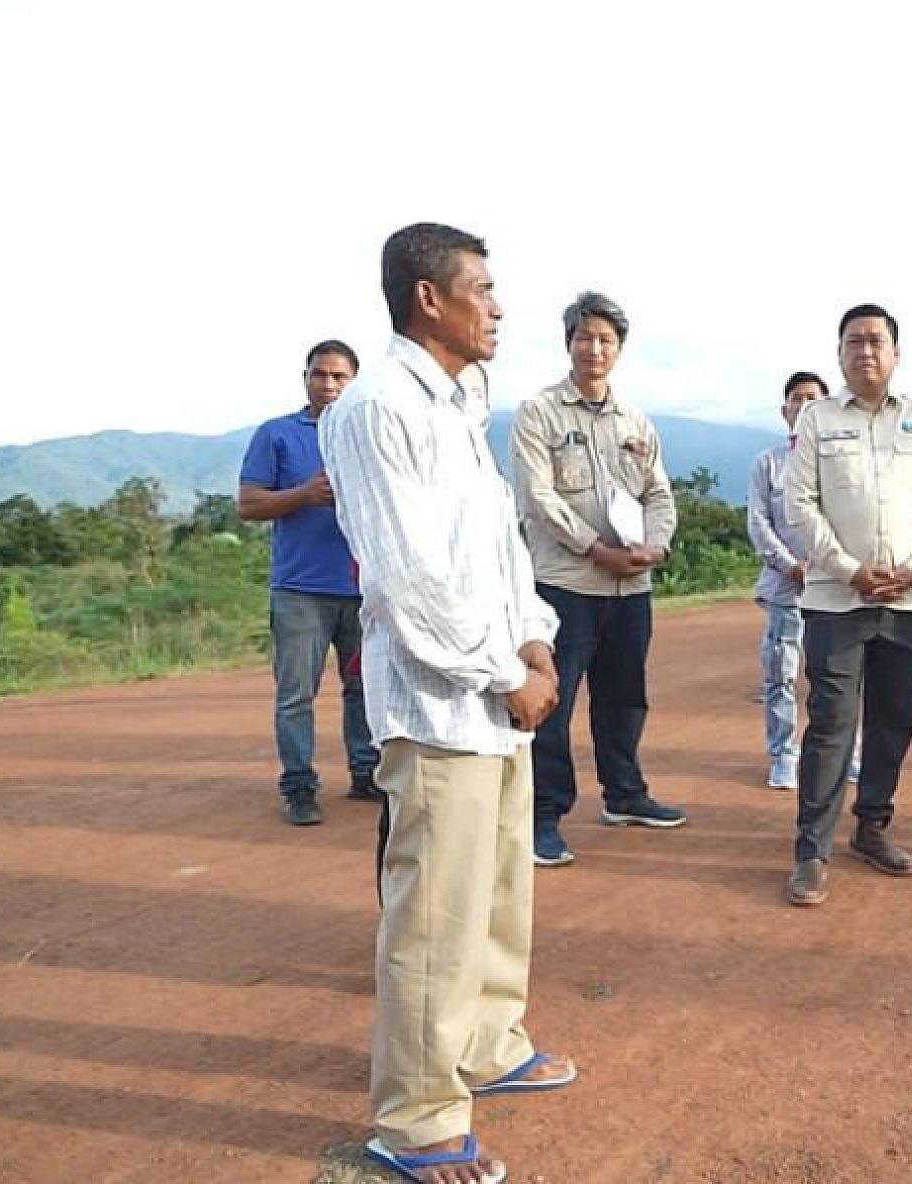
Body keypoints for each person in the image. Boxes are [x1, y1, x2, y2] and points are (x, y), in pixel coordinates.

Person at [321, 222, 577, 1184]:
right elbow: (407, 581)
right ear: (430, 298)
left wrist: (536, 641)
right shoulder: (380, 406)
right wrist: (508, 675)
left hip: (498, 696)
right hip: (440, 705)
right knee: (435, 917)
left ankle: (487, 1041)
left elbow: (502, 552)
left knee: (501, 890)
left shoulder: (461, 405)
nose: (499, 306)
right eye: (484, 287)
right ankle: (417, 1121)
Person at [782, 303, 912, 906]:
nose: (865, 352)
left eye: (876, 342)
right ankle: (811, 850)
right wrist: (851, 571)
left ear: (896, 353)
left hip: (907, 600)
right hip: (837, 601)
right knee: (832, 722)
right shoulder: (816, 421)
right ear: (840, 354)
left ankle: (873, 828)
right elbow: (798, 503)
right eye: (853, 342)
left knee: (892, 721)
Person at [511, 291, 686, 868]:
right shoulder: (539, 412)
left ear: (619, 349)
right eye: (584, 337)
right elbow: (538, 499)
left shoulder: (634, 420)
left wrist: (655, 546)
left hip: (630, 587)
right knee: (552, 702)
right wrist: (594, 549)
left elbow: (658, 492)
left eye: (605, 339)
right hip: (565, 584)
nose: (594, 348)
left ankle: (626, 794)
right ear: (569, 344)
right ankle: (543, 816)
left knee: (624, 695)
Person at [237, 339, 380, 826]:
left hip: (364, 588)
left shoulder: (371, 437)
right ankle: (299, 785)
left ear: (354, 384)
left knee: (364, 689)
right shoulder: (277, 435)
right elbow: (248, 504)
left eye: (340, 377)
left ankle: (367, 773)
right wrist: (303, 494)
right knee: (296, 693)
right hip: (300, 590)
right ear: (306, 378)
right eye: (320, 375)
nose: (329, 385)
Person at [747, 370, 858, 790]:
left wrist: (832, 564)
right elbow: (758, 523)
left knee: (839, 677)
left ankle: (846, 754)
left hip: (835, 588)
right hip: (785, 589)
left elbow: (854, 518)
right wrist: (790, 564)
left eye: (813, 398)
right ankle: (783, 755)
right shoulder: (768, 463)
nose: (804, 404)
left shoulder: (843, 463)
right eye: (797, 398)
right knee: (782, 675)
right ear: (785, 410)